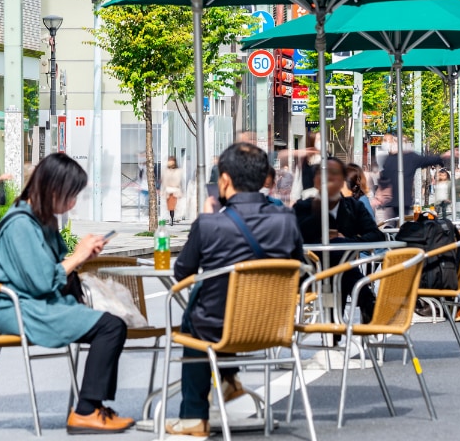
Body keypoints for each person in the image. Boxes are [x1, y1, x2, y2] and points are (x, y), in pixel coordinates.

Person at [0, 153, 136, 435]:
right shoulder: (21, 224)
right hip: (22, 310)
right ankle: (87, 411)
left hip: (35, 304)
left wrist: (82, 255)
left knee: (111, 325)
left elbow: (56, 267)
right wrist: (77, 257)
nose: (72, 203)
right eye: (70, 195)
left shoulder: (39, 219)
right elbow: (42, 281)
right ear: (52, 189)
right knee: (110, 327)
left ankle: (92, 407)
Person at [164, 142, 302, 436]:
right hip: (272, 325)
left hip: (217, 327)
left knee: (197, 314)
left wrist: (205, 218)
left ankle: (193, 415)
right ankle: (228, 380)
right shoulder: (288, 220)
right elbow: (298, 270)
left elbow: (182, 272)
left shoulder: (209, 225)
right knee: (209, 308)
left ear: (225, 180)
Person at [294, 157, 382, 325]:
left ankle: (335, 333)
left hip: (341, 273)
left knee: (339, 261)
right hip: (311, 273)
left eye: (333, 174)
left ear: (342, 180)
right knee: (340, 262)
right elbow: (295, 237)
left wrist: (347, 240)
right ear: (316, 180)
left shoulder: (354, 207)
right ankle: (366, 299)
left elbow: (376, 235)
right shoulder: (303, 207)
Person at [376, 133, 449, 222]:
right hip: (395, 201)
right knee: (393, 224)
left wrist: (443, 156)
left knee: (394, 224)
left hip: (398, 201)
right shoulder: (391, 158)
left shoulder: (406, 157)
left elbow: (428, 160)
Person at [161, 156, 185, 223]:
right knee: (169, 206)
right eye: (169, 161)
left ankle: (173, 217)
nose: (170, 163)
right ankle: (171, 218)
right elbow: (164, 181)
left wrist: (182, 191)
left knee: (174, 206)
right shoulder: (165, 171)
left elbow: (181, 182)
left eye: (171, 161)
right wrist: (162, 190)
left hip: (176, 190)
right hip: (168, 191)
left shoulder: (179, 171)